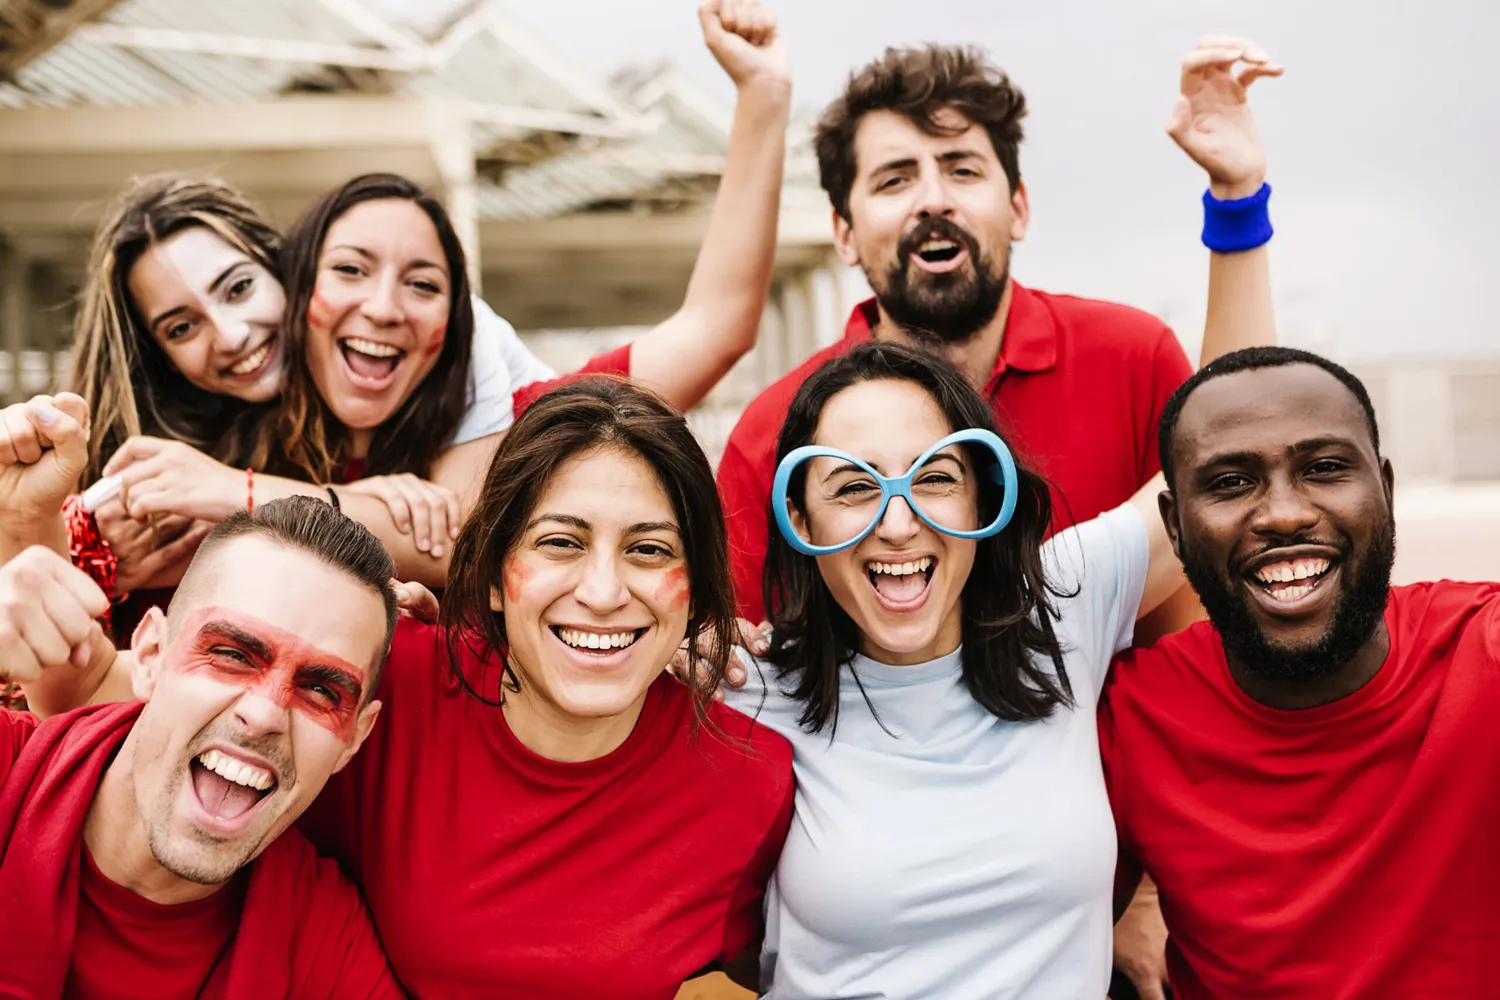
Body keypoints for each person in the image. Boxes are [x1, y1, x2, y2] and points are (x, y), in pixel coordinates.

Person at [50, 0, 790, 592]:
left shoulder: (524, 415)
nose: (233, 332)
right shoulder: (191, 449)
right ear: (306, 281)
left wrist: (763, 95)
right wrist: (108, 566)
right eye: (180, 326)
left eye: (423, 285)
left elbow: (467, 539)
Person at [716, 34, 1281, 653]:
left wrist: (1236, 198)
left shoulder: (1132, 356)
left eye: (962, 169)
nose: (934, 200)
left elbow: (1236, 452)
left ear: (1018, 207)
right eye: (894, 180)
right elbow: (738, 654)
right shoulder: (770, 433)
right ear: (843, 234)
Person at [287, 377, 795, 998]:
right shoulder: (387, 690)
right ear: (495, 577)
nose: (604, 594)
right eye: (560, 542)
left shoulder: (752, 778)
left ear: (695, 595)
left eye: (649, 550)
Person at [1097, 346, 1500, 999]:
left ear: (1386, 492)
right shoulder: (1128, 717)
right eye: (1231, 482)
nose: (1284, 514)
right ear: (1175, 528)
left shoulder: (1482, 650)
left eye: (1325, 468)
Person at [0, 422, 402, 997]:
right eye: (234, 654)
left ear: (355, 740)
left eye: (321, 690)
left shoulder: (321, 944)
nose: (265, 714)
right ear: (149, 654)